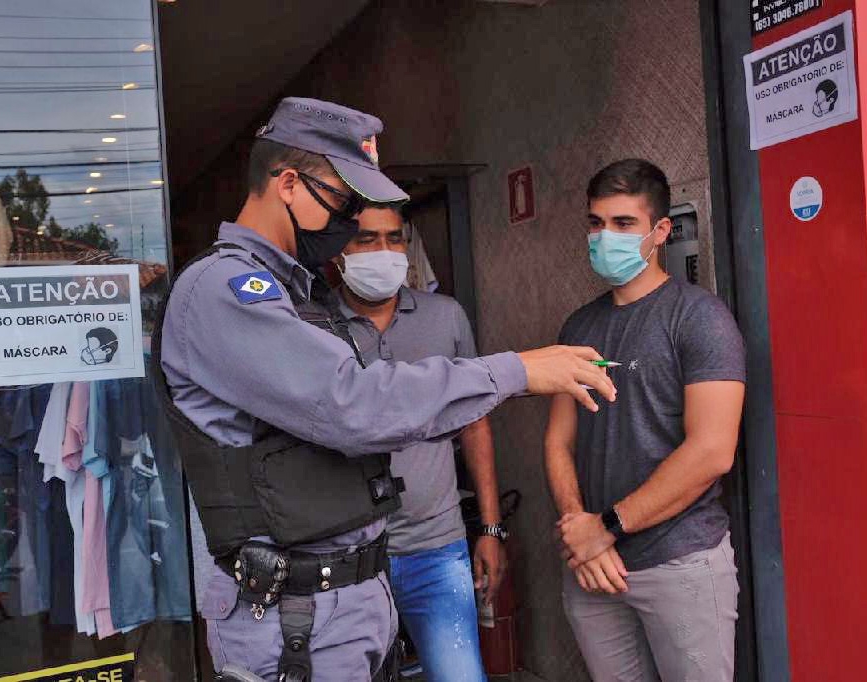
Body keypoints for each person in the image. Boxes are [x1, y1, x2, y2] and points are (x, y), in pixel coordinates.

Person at [154, 96, 616, 681]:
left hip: (345, 603)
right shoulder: (225, 291)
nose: (350, 221)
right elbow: (355, 403)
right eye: (344, 201)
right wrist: (515, 371)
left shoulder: (297, 292)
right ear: (289, 183)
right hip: (293, 615)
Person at [546, 159, 746, 682]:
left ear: (660, 232)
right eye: (596, 223)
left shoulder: (699, 317)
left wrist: (605, 528)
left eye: (623, 223)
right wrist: (577, 531)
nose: (604, 236)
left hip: (679, 562)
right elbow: (558, 442)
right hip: (593, 569)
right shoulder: (579, 325)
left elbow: (712, 451)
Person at [333, 204, 502, 681]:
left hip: (437, 548)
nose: (383, 252)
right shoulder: (313, 326)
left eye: (393, 238)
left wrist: (490, 530)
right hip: (347, 558)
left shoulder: (445, 316)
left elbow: (476, 423)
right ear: (336, 250)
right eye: (366, 240)